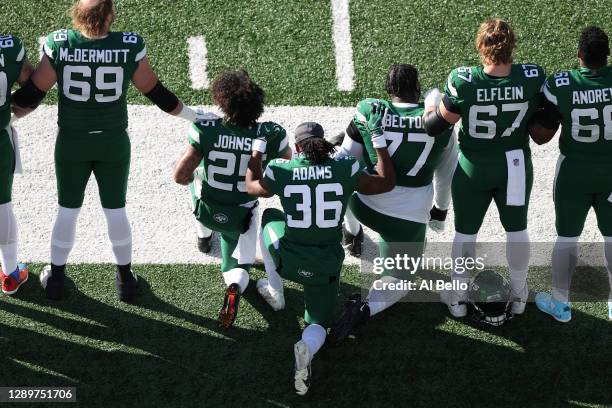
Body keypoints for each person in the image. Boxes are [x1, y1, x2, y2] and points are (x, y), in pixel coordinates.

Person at [11, 0, 203, 301]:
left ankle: (57, 279)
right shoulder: (128, 45)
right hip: (113, 141)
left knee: (67, 210)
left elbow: (34, 93)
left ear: (78, 14)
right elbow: (156, 92)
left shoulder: (61, 43)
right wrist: (193, 115)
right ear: (110, 15)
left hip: (72, 141)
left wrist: (6, 115)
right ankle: (125, 280)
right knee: (115, 210)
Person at [245, 114, 396, 396]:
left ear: (299, 148)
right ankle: (308, 349)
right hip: (324, 264)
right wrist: (377, 137)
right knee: (317, 324)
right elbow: (386, 181)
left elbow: (251, 185)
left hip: (287, 258)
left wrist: (258, 147)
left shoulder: (282, 169)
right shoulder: (345, 168)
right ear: (325, 145)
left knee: (270, 216)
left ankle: (275, 291)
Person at [423, 19, 545, 317]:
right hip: (514, 166)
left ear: (481, 47)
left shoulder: (465, 80)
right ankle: (518, 296)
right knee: (517, 230)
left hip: (474, 166)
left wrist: (431, 103)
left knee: (465, 233)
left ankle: (458, 300)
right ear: (512, 45)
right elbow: (544, 121)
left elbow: (435, 125)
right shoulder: (532, 76)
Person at [329, 64, 457, 344]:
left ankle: (351, 233)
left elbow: (343, 162)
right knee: (399, 281)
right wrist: (440, 211)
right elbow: (445, 176)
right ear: (418, 88)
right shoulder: (439, 121)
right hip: (407, 219)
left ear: (389, 91)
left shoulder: (370, 108)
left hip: (363, 202)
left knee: (351, 164)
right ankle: (366, 307)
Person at [173, 69, 291, 328]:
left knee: (197, 181)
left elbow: (180, 175)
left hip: (208, 207)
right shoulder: (270, 134)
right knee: (237, 267)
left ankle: (203, 237)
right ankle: (234, 286)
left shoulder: (207, 128)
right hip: (242, 213)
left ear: (222, 101)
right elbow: (288, 168)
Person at [529, 26, 612, 322]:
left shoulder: (562, 84)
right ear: (607, 55)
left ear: (579, 55)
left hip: (574, 172)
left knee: (566, 239)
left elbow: (541, 137)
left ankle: (561, 304)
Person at [0, 35, 33, 295]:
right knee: (2, 205)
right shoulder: (9, 48)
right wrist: (16, 107)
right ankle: (10, 273)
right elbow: (32, 88)